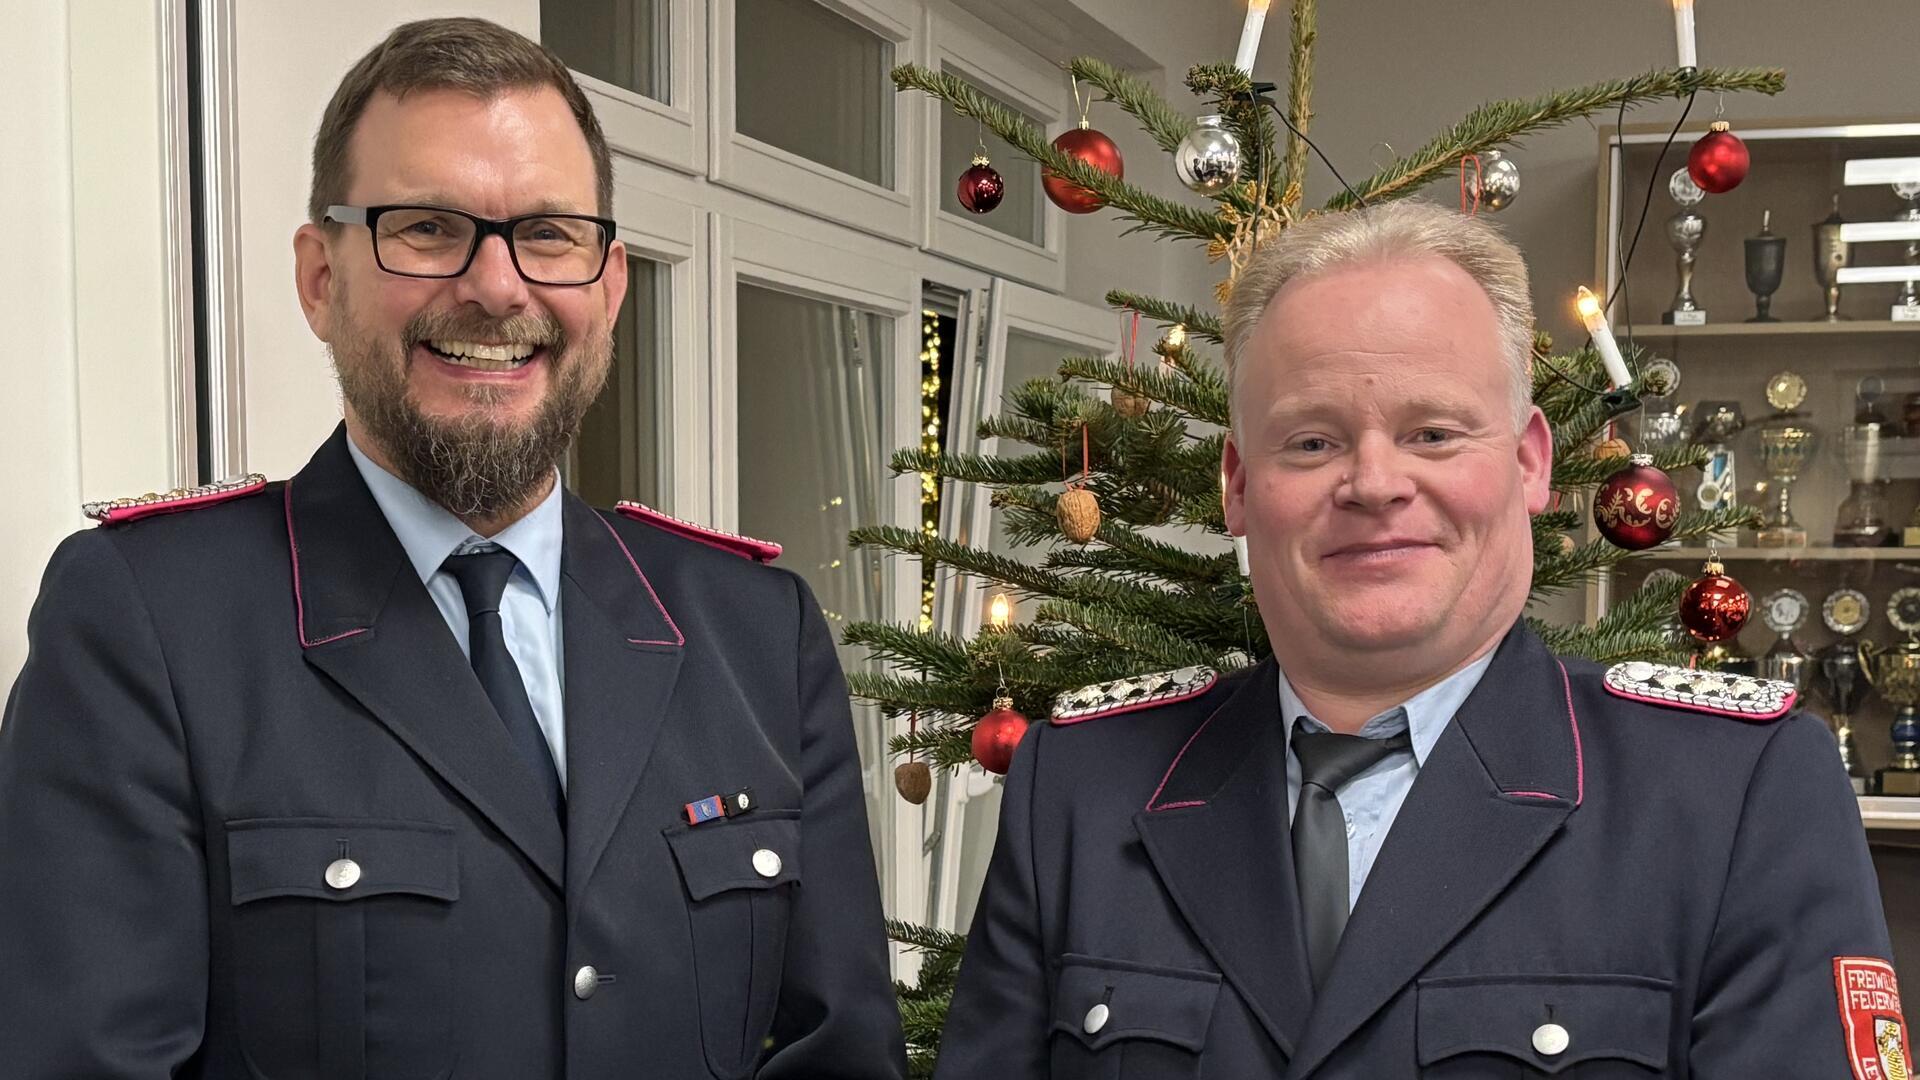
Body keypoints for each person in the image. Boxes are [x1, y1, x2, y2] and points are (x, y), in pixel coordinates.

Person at [0, 18, 904, 1079]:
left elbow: (839, 1054)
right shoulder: (147, 620)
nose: (497, 287)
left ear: (609, 287)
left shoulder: (756, 629)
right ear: (320, 278)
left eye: (551, 234)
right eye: (428, 228)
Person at [933, 201, 1905, 1076]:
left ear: (1529, 463)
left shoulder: (1732, 792)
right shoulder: (1085, 784)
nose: (1374, 482)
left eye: (1434, 433)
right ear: (1236, 482)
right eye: (1311, 440)